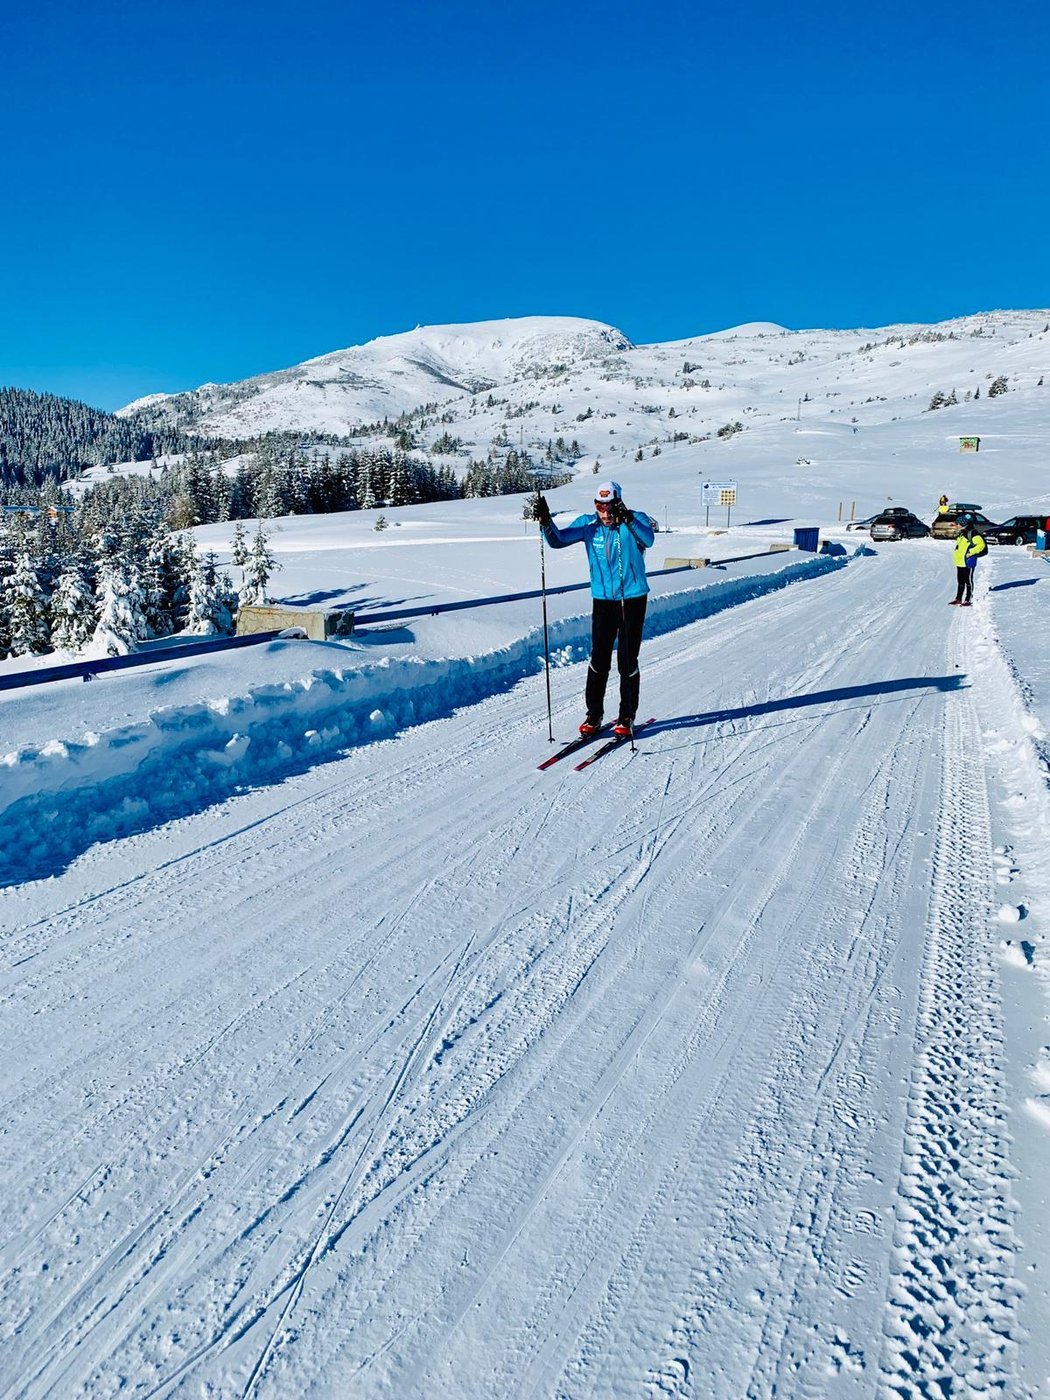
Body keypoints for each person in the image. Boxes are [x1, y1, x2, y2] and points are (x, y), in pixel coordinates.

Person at [535, 481, 655, 737]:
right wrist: (546, 521)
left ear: (619, 502)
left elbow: (649, 539)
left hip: (632, 599)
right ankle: (594, 714)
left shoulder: (635, 520)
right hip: (602, 601)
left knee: (626, 659)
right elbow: (558, 541)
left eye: (610, 506)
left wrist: (628, 519)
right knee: (599, 659)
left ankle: (627, 715)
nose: (606, 512)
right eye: (600, 506)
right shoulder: (588, 525)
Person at [950, 518, 986, 606]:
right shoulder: (962, 533)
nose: (956, 526)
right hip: (960, 562)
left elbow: (981, 545)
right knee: (960, 581)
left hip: (968, 561)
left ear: (963, 524)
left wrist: (970, 552)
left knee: (968, 581)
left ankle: (968, 599)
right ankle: (958, 598)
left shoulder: (972, 533)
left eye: (957, 524)